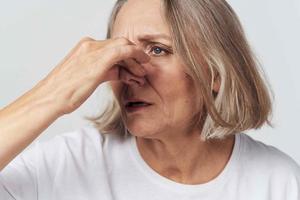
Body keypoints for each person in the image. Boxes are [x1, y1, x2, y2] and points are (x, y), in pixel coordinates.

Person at [0, 0, 299, 199]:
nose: (130, 73)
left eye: (157, 50)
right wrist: (54, 93)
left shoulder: (279, 183)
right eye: (118, 53)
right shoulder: (63, 165)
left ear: (216, 71)